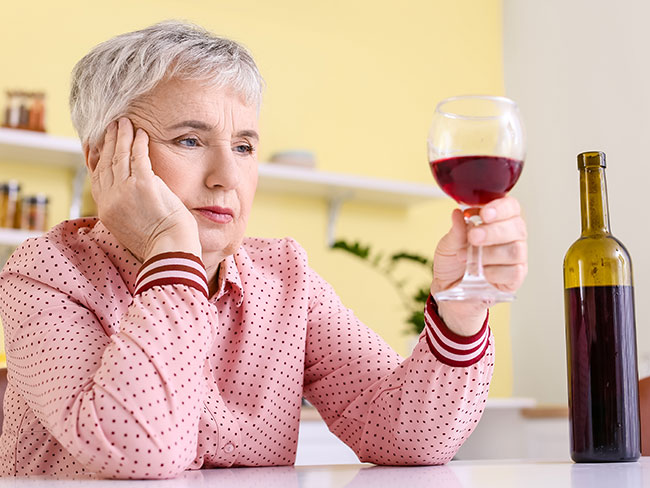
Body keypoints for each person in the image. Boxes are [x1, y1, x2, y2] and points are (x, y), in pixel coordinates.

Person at [0, 21, 528, 479]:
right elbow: (141, 452)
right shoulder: (45, 273)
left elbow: (407, 438)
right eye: (189, 140)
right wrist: (171, 250)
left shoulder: (285, 277)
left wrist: (459, 313)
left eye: (244, 146)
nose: (227, 177)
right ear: (102, 159)